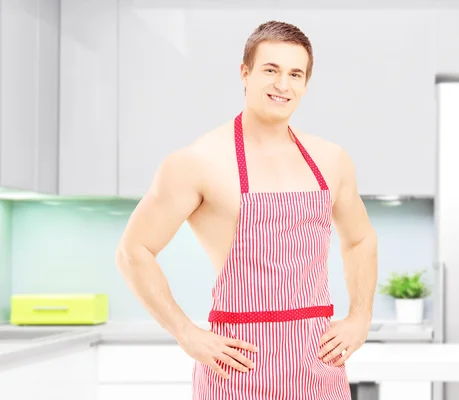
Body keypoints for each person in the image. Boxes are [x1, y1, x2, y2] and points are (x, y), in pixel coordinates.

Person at [115, 20, 378, 399]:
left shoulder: (331, 160)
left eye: (295, 74)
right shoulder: (198, 162)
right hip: (238, 368)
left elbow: (361, 239)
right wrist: (186, 333)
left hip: (317, 366)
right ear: (245, 73)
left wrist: (360, 317)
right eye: (270, 70)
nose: (282, 85)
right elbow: (133, 251)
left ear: (305, 83)